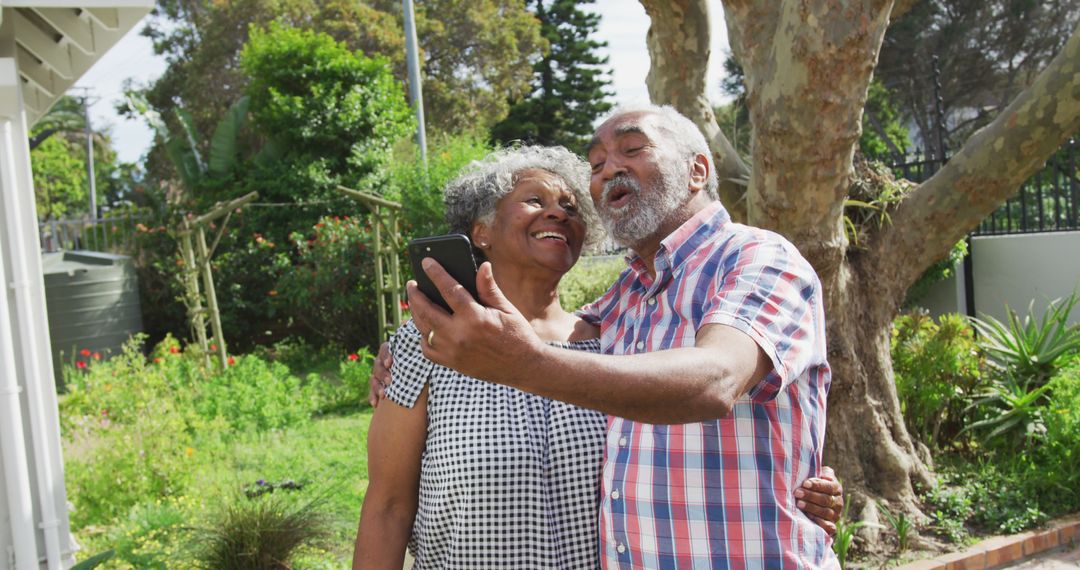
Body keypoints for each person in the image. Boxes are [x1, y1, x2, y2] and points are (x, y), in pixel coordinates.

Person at [403, 105, 840, 568]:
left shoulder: (757, 258)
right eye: (596, 164)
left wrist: (525, 363)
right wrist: (397, 354)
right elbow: (548, 327)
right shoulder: (623, 297)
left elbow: (716, 380)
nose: (609, 168)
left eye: (631, 149)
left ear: (697, 170)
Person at [354, 146, 610, 569]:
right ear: (481, 232)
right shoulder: (428, 344)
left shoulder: (613, 343)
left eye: (571, 207)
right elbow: (388, 506)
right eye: (535, 200)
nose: (559, 213)